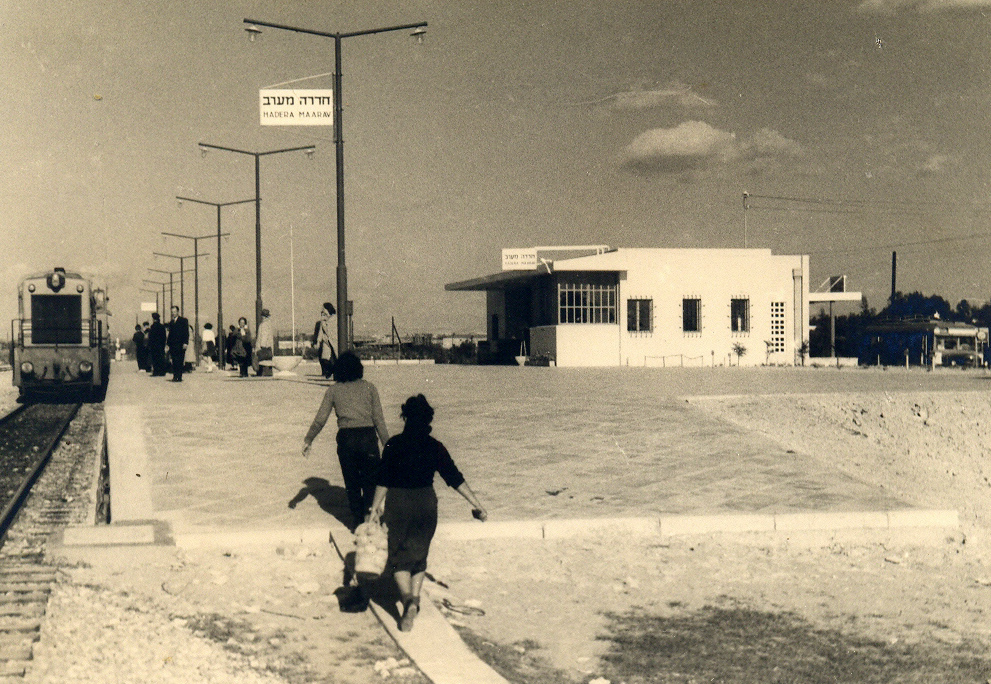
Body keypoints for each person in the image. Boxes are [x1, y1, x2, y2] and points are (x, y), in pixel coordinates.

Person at [369, 394, 487, 631]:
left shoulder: (393, 444)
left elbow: (383, 479)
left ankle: (407, 600)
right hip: (425, 502)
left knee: (398, 557)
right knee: (419, 555)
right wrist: (476, 503)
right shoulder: (435, 446)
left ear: (405, 417)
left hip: (399, 502)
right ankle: (415, 597)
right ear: (428, 420)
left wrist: (374, 508)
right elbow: (454, 478)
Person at [301, 351, 389, 529]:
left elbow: (320, 419)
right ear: (359, 368)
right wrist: (388, 445)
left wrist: (308, 439)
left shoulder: (333, 390)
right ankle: (369, 520)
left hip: (346, 440)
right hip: (368, 438)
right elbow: (379, 419)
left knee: (352, 484)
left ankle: (357, 524)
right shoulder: (370, 388)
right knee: (371, 482)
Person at [313, 302, 337, 379]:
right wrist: (318, 342)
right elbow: (320, 332)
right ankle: (330, 371)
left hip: (334, 341)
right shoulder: (323, 320)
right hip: (326, 341)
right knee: (324, 358)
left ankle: (334, 372)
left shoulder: (335, 318)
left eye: (323, 309)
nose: (322, 310)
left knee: (337, 357)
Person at [166, 305, 190, 382]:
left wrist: (185, 343)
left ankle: (179, 376)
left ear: (178, 312)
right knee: (174, 360)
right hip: (173, 345)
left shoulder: (183, 320)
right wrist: (168, 344)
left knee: (180, 360)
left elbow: (186, 332)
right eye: (172, 312)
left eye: (175, 312)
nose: (173, 313)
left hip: (181, 344)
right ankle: (175, 376)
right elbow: (170, 334)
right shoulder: (171, 322)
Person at [255, 308, 275, 377]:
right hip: (269, 347)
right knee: (268, 361)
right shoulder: (269, 324)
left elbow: (264, 336)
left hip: (263, 347)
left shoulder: (263, 325)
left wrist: (262, 346)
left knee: (262, 361)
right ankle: (268, 372)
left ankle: (263, 373)